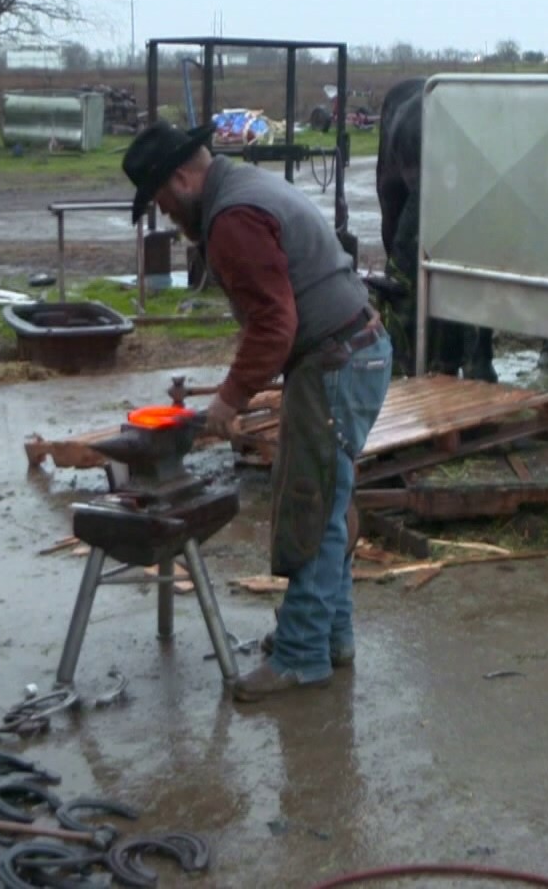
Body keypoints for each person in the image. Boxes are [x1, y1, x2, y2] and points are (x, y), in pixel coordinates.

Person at [124, 120, 390, 702]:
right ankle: (328, 638)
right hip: (352, 353)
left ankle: (301, 658)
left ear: (182, 178)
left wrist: (229, 400)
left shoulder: (232, 219)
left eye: (163, 201)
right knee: (327, 503)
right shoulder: (244, 186)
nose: (166, 215)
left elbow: (275, 324)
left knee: (312, 511)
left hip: (336, 362)